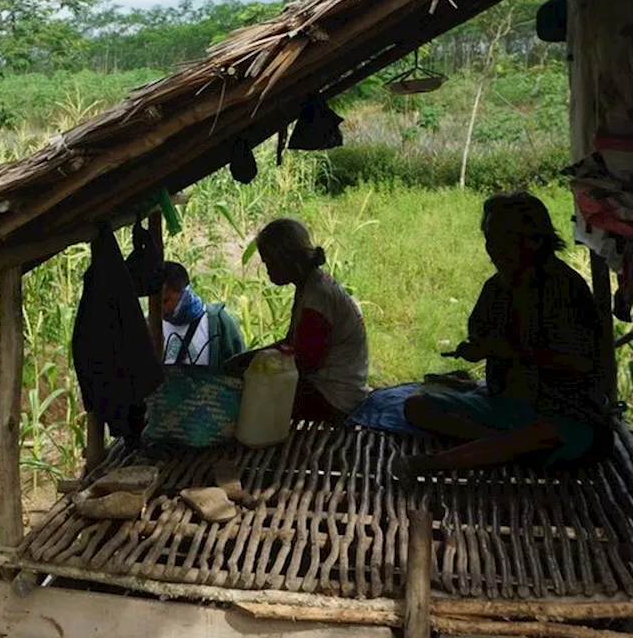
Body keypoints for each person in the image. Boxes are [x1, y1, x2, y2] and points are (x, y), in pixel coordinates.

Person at [396, 192, 610, 479]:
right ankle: (509, 446)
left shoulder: (564, 288)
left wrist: (510, 351)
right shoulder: (496, 287)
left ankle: (447, 460)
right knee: (416, 406)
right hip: (504, 403)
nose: (492, 249)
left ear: (533, 241)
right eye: (489, 238)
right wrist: (476, 349)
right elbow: (483, 338)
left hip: (563, 410)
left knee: (558, 433)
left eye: (501, 239)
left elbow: (581, 363)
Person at [224, 218, 370, 421]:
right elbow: (292, 343)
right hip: (336, 388)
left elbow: (305, 363)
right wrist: (247, 358)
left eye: (269, 263)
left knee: (243, 397)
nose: (266, 270)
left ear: (284, 259)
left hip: (334, 397)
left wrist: (249, 367)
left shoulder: (317, 298)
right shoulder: (311, 285)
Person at [159, 261, 246, 369]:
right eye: (154, 304)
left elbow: (241, 367)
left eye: (165, 301)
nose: (160, 309)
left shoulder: (217, 322)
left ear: (183, 293)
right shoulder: (150, 327)